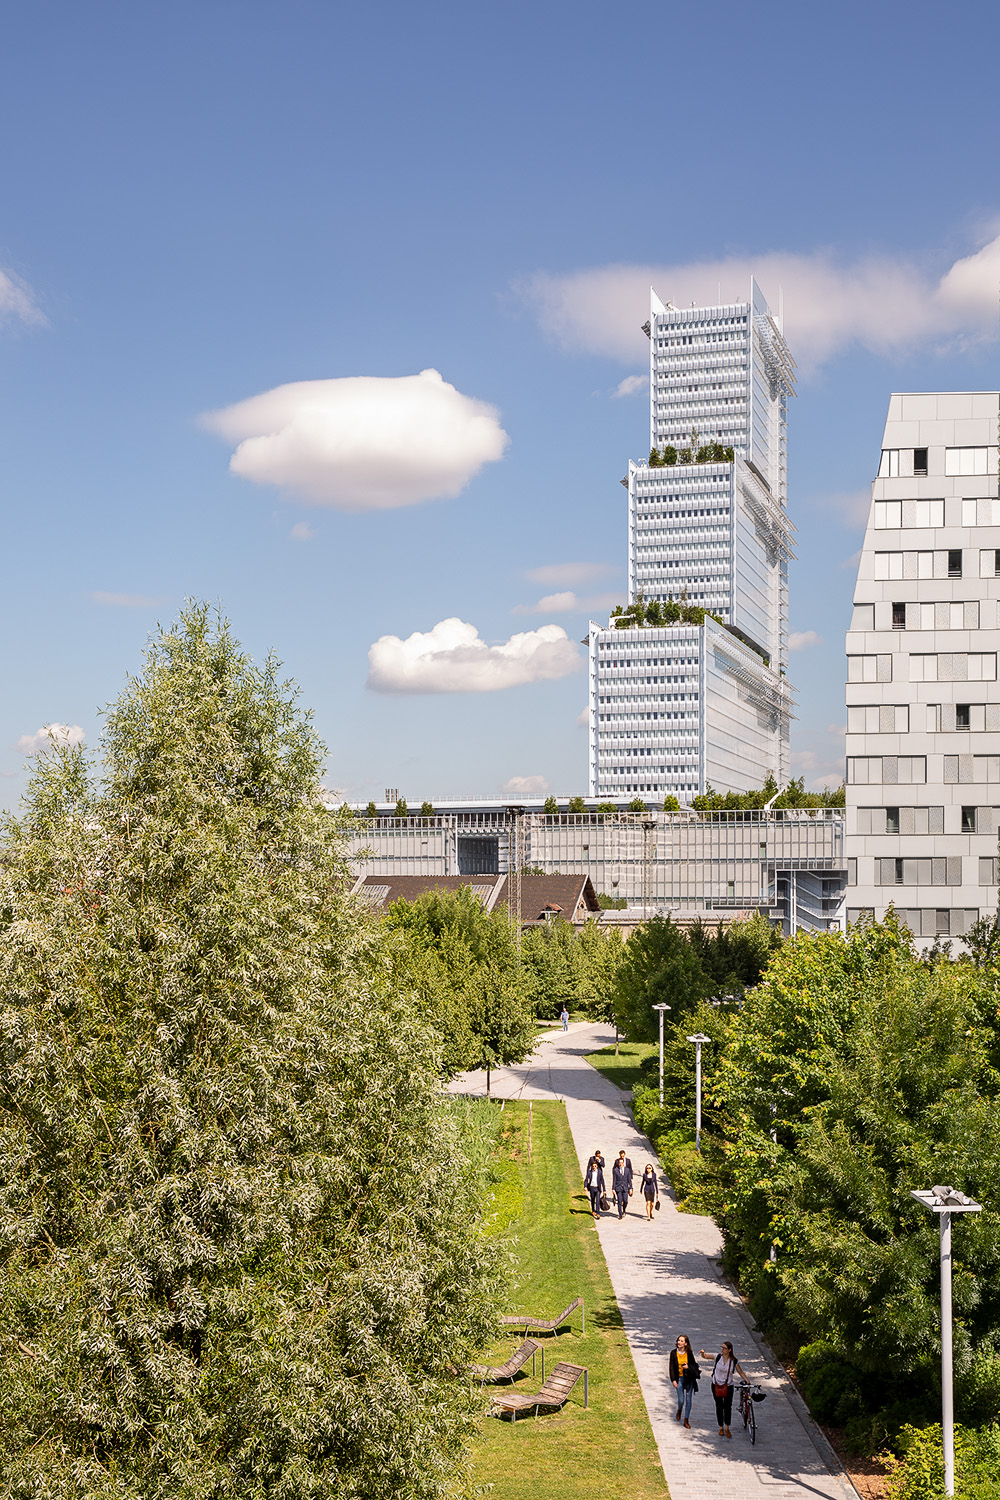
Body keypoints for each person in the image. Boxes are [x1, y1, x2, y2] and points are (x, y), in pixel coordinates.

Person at [698, 1341, 747, 1437]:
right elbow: (706, 1356)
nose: (722, 1349)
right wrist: (703, 1353)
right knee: (719, 1405)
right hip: (716, 1385)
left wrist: (747, 1380)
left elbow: (740, 1372)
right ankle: (720, 1427)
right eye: (722, 1347)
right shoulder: (718, 1357)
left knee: (728, 1406)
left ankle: (727, 1427)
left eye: (724, 1348)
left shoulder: (734, 1361)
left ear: (729, 1350)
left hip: (728, 1386)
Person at [669, 1334, 700, 1427]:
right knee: (681, 1400)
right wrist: (673, 1380)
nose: (679, 1342)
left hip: (688, 1379)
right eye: (679, 1340)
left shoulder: (689, 1353)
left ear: (686, 1343)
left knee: (688, 1399)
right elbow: (671, 1368)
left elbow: (694, 1365)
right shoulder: (673, 1353)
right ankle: (679, 1409)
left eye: (681, 1341)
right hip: (679, 1379)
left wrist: (688, 1367)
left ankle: (686, 1419)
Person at [611, 1149, 633, 1218]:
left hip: (625, 1187)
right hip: (618, 1187)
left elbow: (629, 1180)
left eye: (621, 1162)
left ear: (623, 1163)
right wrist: (613, 1188)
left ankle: (624, 1209)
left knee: (625, 1201)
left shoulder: (627, 1170)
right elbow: (614, 1179)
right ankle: (620, 1214)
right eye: (619, 1162)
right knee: (620, 1201)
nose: (620, 1164)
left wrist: (631, 1188)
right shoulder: (616, 1170)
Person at [584, 1153, 605, 1219]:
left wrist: (604, 1189)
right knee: (593, 1200)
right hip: (592, 1187)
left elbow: (602, 1180)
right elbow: (586, 1179)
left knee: (598, 1200)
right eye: (593, 1166)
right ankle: (593, 1210)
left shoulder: (599, 1172)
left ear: (597, 1166)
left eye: (595, 1166)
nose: (594, 1167)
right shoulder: (590, 1172)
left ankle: (598, 1213)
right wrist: (585, 1186)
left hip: (598, 1188)